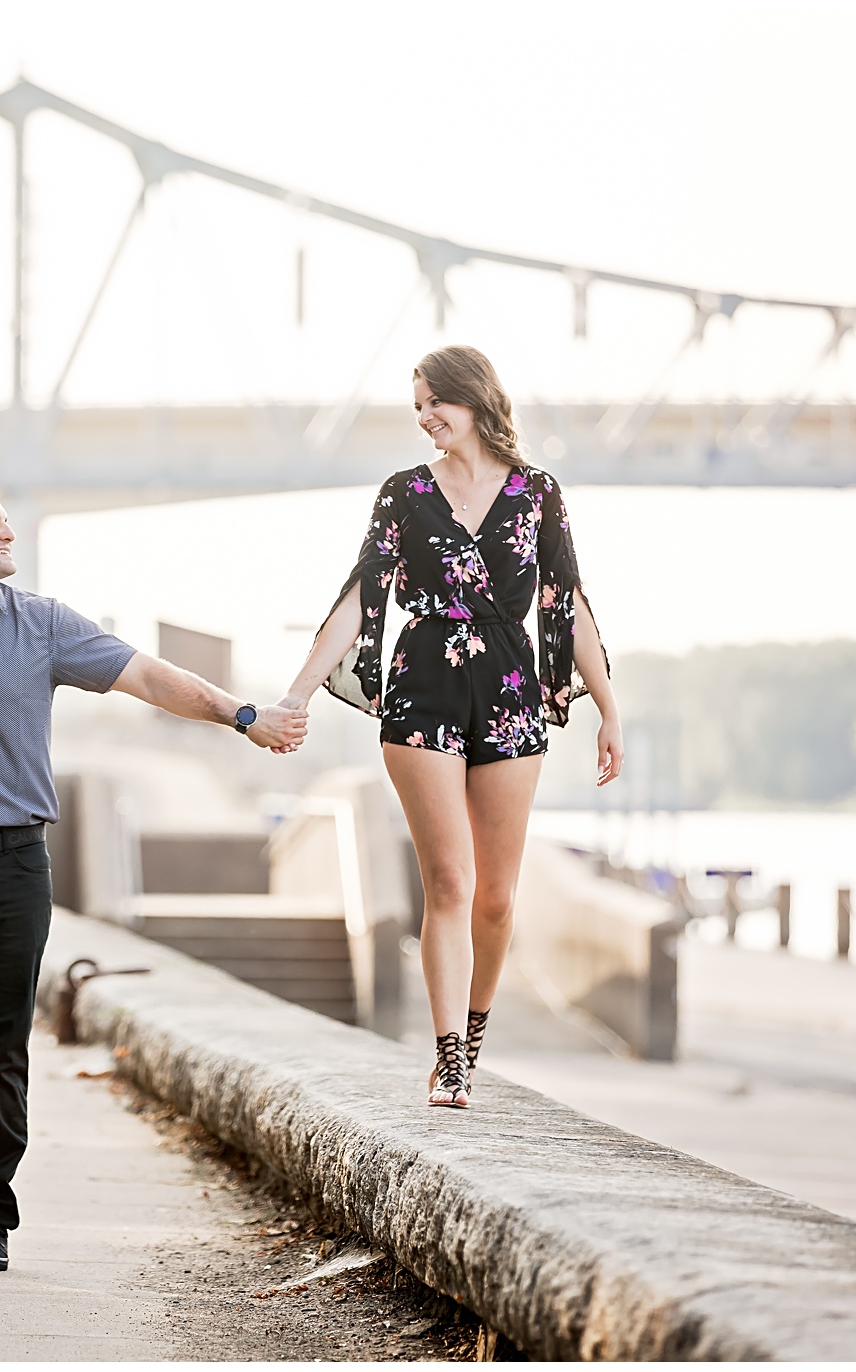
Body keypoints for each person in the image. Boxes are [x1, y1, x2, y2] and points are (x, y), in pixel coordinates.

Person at [0, 484, 307, 1272]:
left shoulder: (45, 626)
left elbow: (148, 678)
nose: (10, 531)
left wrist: (241, 715)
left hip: (13, 868)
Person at [278, 345, 621, 1109]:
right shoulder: (403, 494)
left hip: (509, 689)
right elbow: (362, 597)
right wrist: (298, 693)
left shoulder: (538, 495)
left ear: (475, 400)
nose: (427, 417)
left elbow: (567, 605)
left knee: (496, 899)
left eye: (437, 402)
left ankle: (472, 1035)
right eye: (418, 407)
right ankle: (448, 1061)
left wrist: (608, 709)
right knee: (450, 882)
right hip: (423, 685)